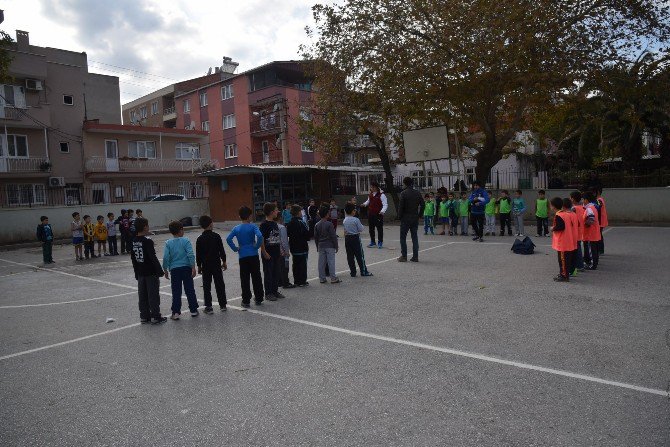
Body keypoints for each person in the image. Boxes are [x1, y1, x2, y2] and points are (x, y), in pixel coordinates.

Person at [226, 206, 265, 309]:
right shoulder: (253, 227)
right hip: (253, 254)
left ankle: (246, 300)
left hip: (242, 255)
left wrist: (235, 248)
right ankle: (259, 297)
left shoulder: (236, 228)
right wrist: (256, 246)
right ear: (250, 216)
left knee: (245, 278)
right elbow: (260, 236)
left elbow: (228, 239)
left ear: (240, 216)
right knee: (256, 276)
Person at [130, 217, 167, 324]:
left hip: (140, 272)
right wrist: (160, 271)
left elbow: (133, 259)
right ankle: (156, 316)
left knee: (142, 295)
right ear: (145, 227)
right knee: (153, 295)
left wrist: (136, 273)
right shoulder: (147, 241)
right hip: (150, 272)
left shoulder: (134, 241)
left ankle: (144, 316)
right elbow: (152, 257)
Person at [163, 221, 199, 319]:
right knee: (189, 289)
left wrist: (165, 269)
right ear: (180, 230)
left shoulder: (168, 243)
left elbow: (166, 257)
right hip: (186, 268)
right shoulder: (186, 240)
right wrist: (193, 267)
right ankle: (193, 310)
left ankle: (175, 312)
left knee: (176, 291)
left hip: (174, 270)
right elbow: (190, 254)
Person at [196, 215, 228, 314]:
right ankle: (223, 305)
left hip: (206, 265)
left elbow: (198, 254)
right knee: (219, 284)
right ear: (211, 224)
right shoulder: (216, 236)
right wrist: (224, 261)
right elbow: (221, 250)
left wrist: (199, 266)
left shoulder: (200, 239)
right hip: (216, 264)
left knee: (206, 286)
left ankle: (209, 307)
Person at [259, 202, 284, 301]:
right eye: (276, 210)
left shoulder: (274, 224)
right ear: (271, 212)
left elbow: (277, 238)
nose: (278, 211)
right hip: (268, 253)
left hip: (276, 252)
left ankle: (274, 290)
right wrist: (264, 252)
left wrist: (281, 249)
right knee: (268, 273)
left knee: (276, 272)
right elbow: (261, 239)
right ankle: (268, 293)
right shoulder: (264, 225)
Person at [397, 176, 425, 262]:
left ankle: (404, 256)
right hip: (414, 218)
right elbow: (423, 205)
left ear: (405, 183)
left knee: (403, 237)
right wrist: (420, 215)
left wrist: (399, 216)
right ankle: (415, 256)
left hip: (405, 218)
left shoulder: (403, 193)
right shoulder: (417, 193)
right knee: (414, 237)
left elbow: (401, 207)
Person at [343, 202, 372, 277]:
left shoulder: (345, 220)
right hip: (355, 237)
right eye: (355, 210)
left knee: (350, 256)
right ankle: (363, 271)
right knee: (360, 255)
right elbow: (360, 229)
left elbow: (345, 230)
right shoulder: (356, 220)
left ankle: (353, 272)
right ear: (353, 211)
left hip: (347, 238)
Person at [314, 205, 340, 283]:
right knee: (331, 262)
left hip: (321, 245)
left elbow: (316, 237)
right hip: (329, 245)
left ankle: (322, 278)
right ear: (326, 214)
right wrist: (336, 246)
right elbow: (333, 236)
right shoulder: (329, 224)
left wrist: (317, 246)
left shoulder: (317, 224)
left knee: (321, 263)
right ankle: (333, 278)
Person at [286, 204, 310, 287]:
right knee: (302, 264)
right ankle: (302, 280)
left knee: (295, 264)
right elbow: (307, 234)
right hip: (302, 246)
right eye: (300, 211)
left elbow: (288, 234)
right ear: (298, 212)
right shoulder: (301, 222)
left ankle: (296, 280)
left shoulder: (289, 223)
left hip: (293, 246)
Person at [550, 197, 573, 282]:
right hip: (566, 240)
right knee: (564, 259)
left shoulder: (558, 215)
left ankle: (564, 276)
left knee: (562, 259)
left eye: (551, 205)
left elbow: (561, 227)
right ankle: (563, 273)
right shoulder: (565, 214)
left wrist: (553, 228)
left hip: (562, 241)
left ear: (553, 206)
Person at [360, 181, 388, 248]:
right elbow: (368, 201)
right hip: (370, 214)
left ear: (376, 187)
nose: (371, 188)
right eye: (371, 187)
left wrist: (382, 211)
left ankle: (380, 242)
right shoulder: (371, 194)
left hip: (378, 214)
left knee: (379, 229)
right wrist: (364, 204)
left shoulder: (382, 195)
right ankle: (373, 242)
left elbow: (385, 205)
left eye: (372, 187)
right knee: (371, 229)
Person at [582, 191, 601, 270]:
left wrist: (586, 224)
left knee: (591, 249)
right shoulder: (594, 207)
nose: (582, 201)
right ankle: (593, 262)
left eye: (583, 199)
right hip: (594, 232)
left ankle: (593, 265)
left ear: (586, 200)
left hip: (590, 233)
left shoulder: (589, 208)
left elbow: (591, 219)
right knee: (594, 249)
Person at [570, 191, 586, 273]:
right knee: (578, 246)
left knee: (577, 248)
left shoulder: (574, 209)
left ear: (572, 199)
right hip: (581, 230)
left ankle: (579, 265)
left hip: (575, 230)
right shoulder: (582, 207)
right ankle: (580, 264)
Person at [278, 213, 294, 289]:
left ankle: (280, 281)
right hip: (283, 251)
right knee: (285, 267)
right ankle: (285, 283)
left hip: (277, 250)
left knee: (279, 267)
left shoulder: (274, 226)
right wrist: (287, 251)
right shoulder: (282, 228)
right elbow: (284, 241)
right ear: (280, 218)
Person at [595, 188, 608, 255]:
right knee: (599, 235)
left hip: (600, 220)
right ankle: (600, 249)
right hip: (601, 220)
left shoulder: (599, 200)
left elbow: (598, 207)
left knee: (599, 235)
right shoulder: (600, 199)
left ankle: (600, 250)